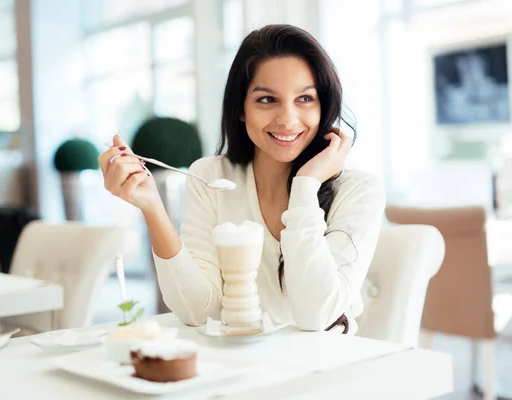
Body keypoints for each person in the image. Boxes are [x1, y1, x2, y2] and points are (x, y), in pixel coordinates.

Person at [99, 24, 385, 335]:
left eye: (305, 99)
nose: (287, 119)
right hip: (237, 366)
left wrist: (306, 186)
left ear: (324, 104)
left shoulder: (358, 191)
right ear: (241, 108)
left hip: (323, 369)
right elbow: (198, 310)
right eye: (267, 100)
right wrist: (153, 209)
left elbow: (316, 315)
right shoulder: (211, 177)